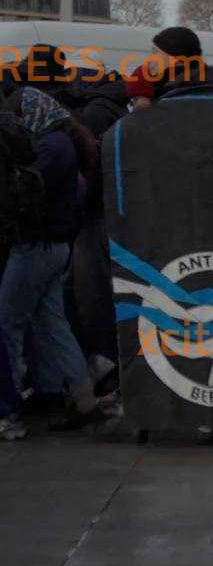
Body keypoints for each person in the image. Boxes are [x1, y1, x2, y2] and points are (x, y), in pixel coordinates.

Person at [0, 88, 101, 433]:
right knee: (52, 324)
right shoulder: (61, 141)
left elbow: (26, 190)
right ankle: (81, 396)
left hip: (36, 246)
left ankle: (10, 399)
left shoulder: (50, 147)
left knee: (7, 321)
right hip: (54, 246)